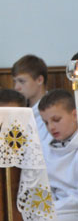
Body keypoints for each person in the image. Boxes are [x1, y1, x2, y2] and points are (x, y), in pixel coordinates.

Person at [38, 89, 78, 221]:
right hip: (54, 209)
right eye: (46, 122)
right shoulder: (46, 148)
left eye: (56, 120)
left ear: (75, 115)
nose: (51, 127)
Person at [12, 54, 50, 143]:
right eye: (15, 81)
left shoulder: (53, 109)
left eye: (21, 81)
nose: (16, 87)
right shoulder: (18, 108)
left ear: (39, 80)